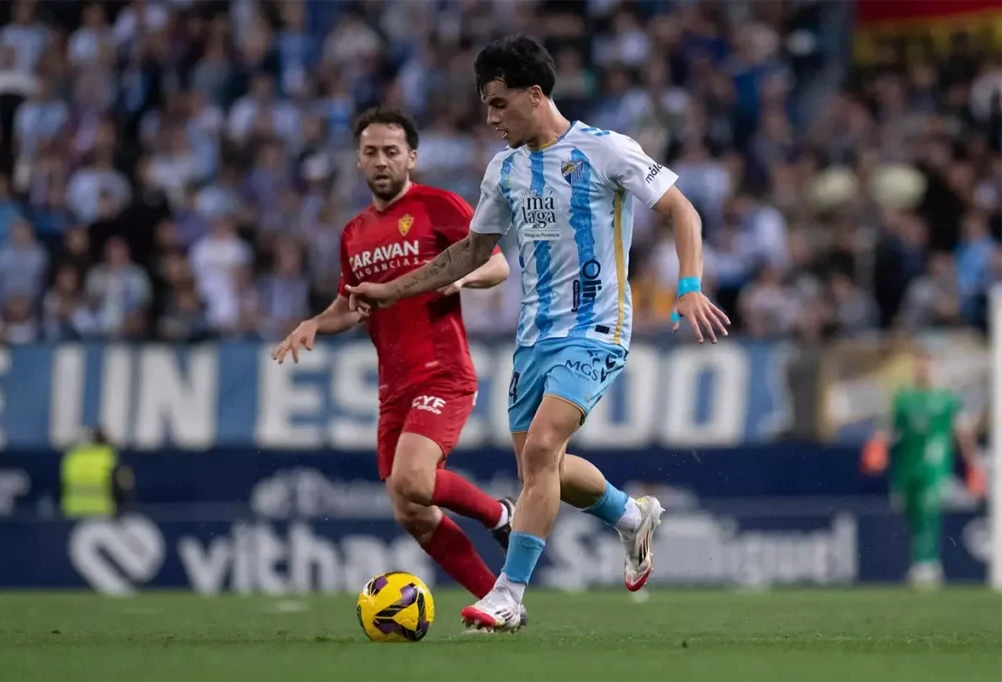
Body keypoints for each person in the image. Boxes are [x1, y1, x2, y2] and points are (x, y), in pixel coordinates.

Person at [346, 35, 729, 631]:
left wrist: (688, 286)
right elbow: (472, 250)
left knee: (545, 448)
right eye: (486, 106)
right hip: (535, 338)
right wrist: (392, 290)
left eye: (499, 104)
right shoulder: (505, 170)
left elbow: (684, 210)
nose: (491, 118)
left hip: (599, 327)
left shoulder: (607, 151)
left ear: (534, 94)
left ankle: (509, 593)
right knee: (539, 470)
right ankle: (632, 516)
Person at [271, 107, 528, 621]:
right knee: (410, 509)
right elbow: (352, 304)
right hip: (393, 387)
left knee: (414, 479)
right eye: (371, 152)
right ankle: (498, 603)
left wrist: (461, 278)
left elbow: (497, 263)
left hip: (444, 371)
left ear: (411, 157)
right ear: (358, 160)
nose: (381, 161)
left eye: (392, 151)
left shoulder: (439, 206)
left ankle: (501, 514)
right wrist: (315, 323)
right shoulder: (353, 233)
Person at [861, 347, 985, 589]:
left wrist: (973, 464)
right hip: (907, 466)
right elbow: (888, 428)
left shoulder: (947, 399)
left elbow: (962, 432)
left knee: (929, 511)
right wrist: (876, 447)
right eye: (920, 364)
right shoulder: (904, 398)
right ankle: (922, 562)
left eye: (928, 364)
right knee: (911, 511)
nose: (924, 368)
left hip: (935, 467)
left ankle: (926, 564)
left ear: (936, 368)